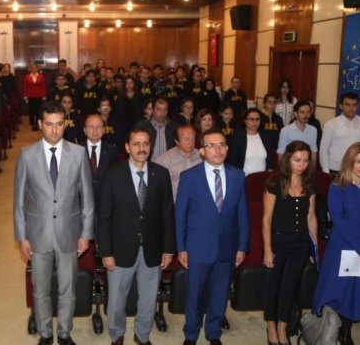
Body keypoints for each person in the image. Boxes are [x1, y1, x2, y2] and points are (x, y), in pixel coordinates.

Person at [13, 101, 94, 345]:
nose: (54, 130)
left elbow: (87, 197)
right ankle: (46, 333)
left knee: (68, 288)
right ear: (40, 124)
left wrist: (86, 233)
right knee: (40, 289)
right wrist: (21, 236)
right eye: (49, 124)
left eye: (59, 124)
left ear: (65, 124)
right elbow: (19, 201)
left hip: (70, 232)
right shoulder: (26, 155)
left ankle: (65, 333)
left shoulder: (78, 154)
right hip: (38, 233)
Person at [98, 128, 176, 345]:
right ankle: (117, 334)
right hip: (120, 249)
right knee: (116, 299)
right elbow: (103, 217)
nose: (142, 148)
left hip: (153, 248)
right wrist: (106, 252)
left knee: (149, 298)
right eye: (136, 144)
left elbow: (168, 214)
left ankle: (142, 335)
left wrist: (169, 248)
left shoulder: (161, 174)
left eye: (146, 143)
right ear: (127, 147)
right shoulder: (113, 174)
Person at [175, 128, 249, 345]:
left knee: (220, 293)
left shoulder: (238, 176)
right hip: (198, 247)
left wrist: (242, 246)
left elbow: (242, 214)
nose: (218, 149)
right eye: (211, 145)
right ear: (202, 151)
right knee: (195, 295)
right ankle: (191, 334)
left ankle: (214, 333)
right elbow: (180, 215)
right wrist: (181, 247)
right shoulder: (189, 177)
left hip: (227, 246)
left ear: (227, 148)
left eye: (222, 144)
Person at [311, 142, 360, 345]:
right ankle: (330, 328)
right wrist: (359, 245)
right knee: (339, 290)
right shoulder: (337, 187)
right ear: (349, 162)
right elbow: (338, 219)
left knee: (358, 291)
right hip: (344, 244)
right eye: (358, 161)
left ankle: (345, 330)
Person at [262, 141, 318, 345]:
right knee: (273, 286)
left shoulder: (309, 184)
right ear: (288, 159)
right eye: (297, 160)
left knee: (289, 286)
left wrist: (314, 248)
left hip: (300, 244)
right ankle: (271, 325)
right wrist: (267, 249)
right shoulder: (274, 182)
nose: (302, 165)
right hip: (277, 242)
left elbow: (311, 217)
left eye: (305, 160)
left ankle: (282, 326)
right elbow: (266, 219)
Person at [319, 92, 360, 175]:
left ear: (357, 106)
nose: (351, 108)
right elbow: (324, 149)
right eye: (347, 105)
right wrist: (325, 171)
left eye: (354, 105)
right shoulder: (330, 125)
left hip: (357, 169)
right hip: (335, 169)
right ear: (341, 106)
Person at [156, 124, 203, 200]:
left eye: (193, 138)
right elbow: (158, 186)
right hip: (175, 203)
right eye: (186, 139)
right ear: (176, 141)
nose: (190, 142)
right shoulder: (164, 160)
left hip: (198, 202)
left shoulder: (202, 157)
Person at [83, 114, 119, 213]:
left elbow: (115, 179)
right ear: (85, 130)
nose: (95, 130)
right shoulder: (77, 151)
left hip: (105, 204)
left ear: (104, 130)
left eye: (98, 127)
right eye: (91, 127)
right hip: (83, 204)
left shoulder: (112, 151)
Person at [228, 108, 274, 175]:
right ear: (245, 120)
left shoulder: (265, 136)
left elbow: (270, 159)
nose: (255, 122)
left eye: (257, 119)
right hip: (244, 177)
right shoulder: (237, 138)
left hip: (263, 177)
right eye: (251, 119)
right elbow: (232, 161)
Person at [277, 100, 318, 166]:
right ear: (295, 114)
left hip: (306, 165)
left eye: (308, 112)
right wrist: (281, 169)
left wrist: (313, 169)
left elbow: (313, 151)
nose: (306, 115)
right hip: (290, 166)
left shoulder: (313, 130)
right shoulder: (285, 131)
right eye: (302, 112)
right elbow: (281, 152)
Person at [134, 97, 176, 162]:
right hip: (147, 164)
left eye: (165, 109)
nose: (162, 113)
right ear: (153, 110)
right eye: (159, 109)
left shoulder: (173, 127)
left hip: (168, 165)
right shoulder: (142, 126)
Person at [23, 63, 47, 131]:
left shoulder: (41, 76)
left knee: (38, 111)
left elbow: (43, 86)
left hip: (39, 96)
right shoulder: (27, 76)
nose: (34, 69)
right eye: (32, 67)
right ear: (30, 69)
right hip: (30, 96)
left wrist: (44, 96)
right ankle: (32, 124)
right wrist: (25, 96)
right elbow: (25, 87)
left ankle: (37, 124)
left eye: (35, 67)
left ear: (37, 69)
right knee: (31, 111)